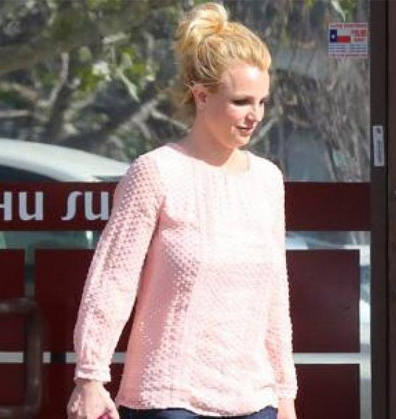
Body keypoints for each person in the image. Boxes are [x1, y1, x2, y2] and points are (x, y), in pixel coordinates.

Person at [66, 3, 297, 419]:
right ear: (201, 95)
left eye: (262, 102)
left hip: (255, 398)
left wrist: (285, 394)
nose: (255, 116)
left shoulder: (267, 180)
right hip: (169, 397)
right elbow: (113, 279)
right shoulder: (156, 172)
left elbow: (274, 296)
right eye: (241, 101)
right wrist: (90, 377)